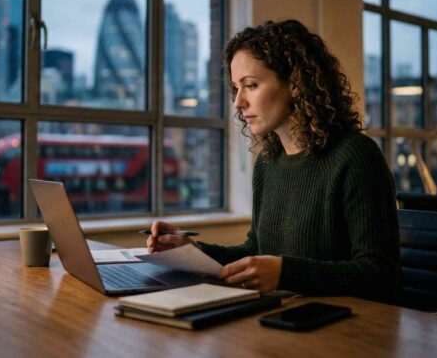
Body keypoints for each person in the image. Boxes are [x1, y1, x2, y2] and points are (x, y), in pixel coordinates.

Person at [147, 20, 401, 301]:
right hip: (284, 313)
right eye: (236, 88)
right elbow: (256, 251)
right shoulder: (267, 163)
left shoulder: (356, 156)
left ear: (295, 83)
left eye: (251, 85)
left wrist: (285, 273)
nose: (238, 102)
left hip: (345, 322)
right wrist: (192, 251)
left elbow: (380, 274)